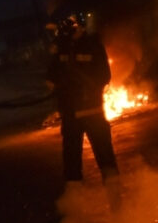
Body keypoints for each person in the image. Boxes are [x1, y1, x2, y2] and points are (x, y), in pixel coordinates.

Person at [45, 14, 121, 209]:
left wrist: (83, 87)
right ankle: (77, 214)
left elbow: (104, 75)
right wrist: (54, 80)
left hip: (92, 113)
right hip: (71, 117)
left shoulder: (92, 45)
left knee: (105, 158)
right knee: (71, 165)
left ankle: (118, 207)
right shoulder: (61, 46)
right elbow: (50, 76)